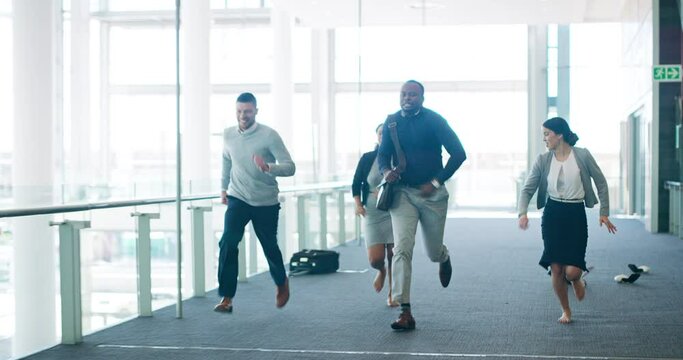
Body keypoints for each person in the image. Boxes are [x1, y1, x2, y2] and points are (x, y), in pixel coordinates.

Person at [377, 80, 467, 330]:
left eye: (413, 95)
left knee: (432, 251)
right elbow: (382, 155)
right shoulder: (392, 121)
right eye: (404, 94)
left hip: (432, 196)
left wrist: (436, 182)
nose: (408, 98)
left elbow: (459, 153)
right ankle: (405, 311)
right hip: (402, 195)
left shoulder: (434, 121)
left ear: (422, 98)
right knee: (401, 249)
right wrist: (386, 172)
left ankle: (444, 256)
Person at [517, 116, 617, 324]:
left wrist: (604, 212)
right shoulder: (543, 160)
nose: (544, 139)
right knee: (555, 267)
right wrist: (522, 213)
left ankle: (577, 279)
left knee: (571, 271)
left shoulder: (582, 155)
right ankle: (566, 310)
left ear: (559, 134)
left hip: (575, 213)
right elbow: (528, 188)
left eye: (547, 134)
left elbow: (601, 183)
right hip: (553, 213)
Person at [214, 92, 296, 313]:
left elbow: (290, 167)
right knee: (228, 242)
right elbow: (226, 161)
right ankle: (227, 297)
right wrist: (223, 188)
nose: (243, 115)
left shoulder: (269, 136)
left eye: (248, 111)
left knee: (269, 245)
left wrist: (269, 167)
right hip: (237, 197)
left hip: (265, 201)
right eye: (239, 111)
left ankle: (281, 282)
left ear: (256, 111)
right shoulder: (228, 134)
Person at [352, 124, 398, 307]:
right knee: (375, 259)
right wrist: (358, 204)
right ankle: (381, 271)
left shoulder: (399, 158)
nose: (383, 136)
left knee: (393, 254)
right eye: (380, 133)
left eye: (386, 134)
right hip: (372, 211)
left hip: (395, 209)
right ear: (377, 136)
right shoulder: (368, 158)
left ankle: (392, 293)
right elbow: (356, 184)